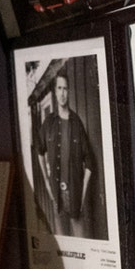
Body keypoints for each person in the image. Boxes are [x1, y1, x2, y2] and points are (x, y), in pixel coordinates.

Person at [33, 72, 97, 238]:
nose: (62, 93)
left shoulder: (76, 123)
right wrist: (47, 183)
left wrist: (82, 195)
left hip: (74, 196)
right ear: (55, 91)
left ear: (69, 91)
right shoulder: (48, 123)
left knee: (81, 243)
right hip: (56, 196)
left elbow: (90, 162)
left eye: (65, 89)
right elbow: (39, 150)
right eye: (59, 88)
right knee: (63, 246)